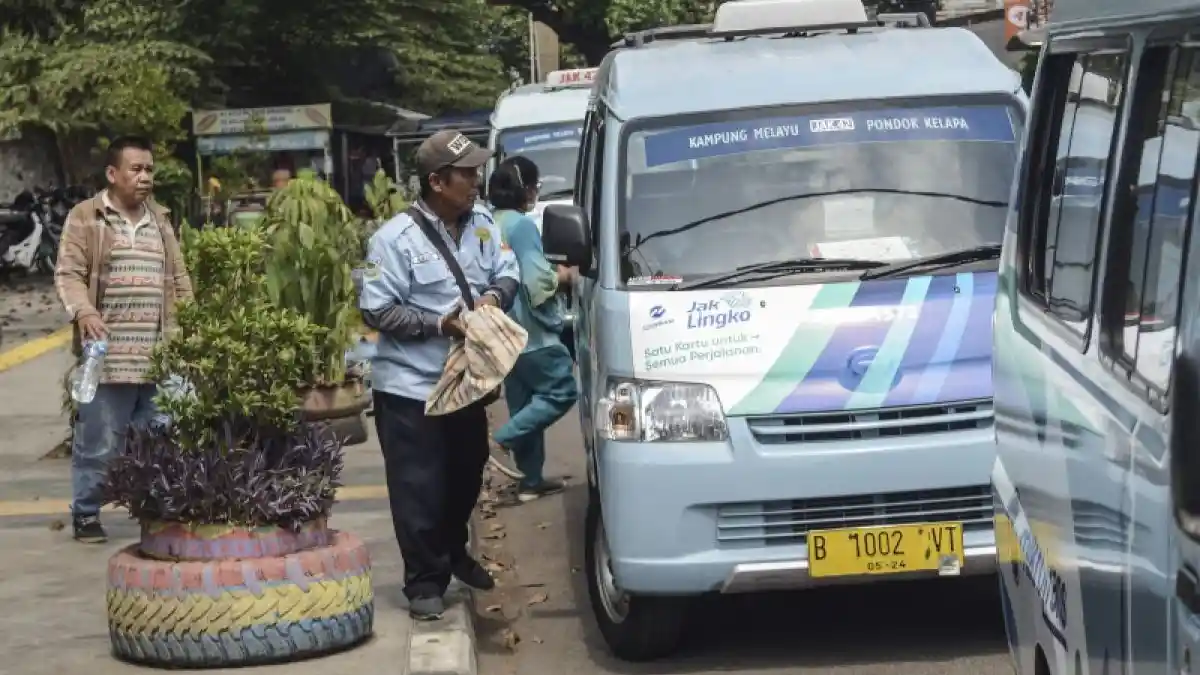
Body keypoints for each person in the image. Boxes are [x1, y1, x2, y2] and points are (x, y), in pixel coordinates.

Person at [358, 129, 520, 621]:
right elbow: (376, 310)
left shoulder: (485, 224)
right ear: (436, 181)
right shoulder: (393, 240)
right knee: (418, 486)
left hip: (467, 382)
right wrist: (438, 324)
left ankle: (451, 549)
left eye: (476, 170)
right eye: (466, 173)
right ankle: (424, 581)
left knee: (467, 470)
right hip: (411, 387)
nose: (476, 180)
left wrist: (492, 299)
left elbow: (506, 271)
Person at [54, 135, 194, 544]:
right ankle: (86, 513)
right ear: (112, 174)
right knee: (99, 444)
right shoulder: (86, 217)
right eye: (136, 169)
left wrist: (192, 328)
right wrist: (85, 311)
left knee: (159, 439)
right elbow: (68, 274)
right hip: (107, 359)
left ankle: (154, 511)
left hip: (158, 356)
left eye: (149, 169)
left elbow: (180, 280)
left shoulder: (161, 220)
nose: (145, 177)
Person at [488, 156, 579, 502]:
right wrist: (566, 276)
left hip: (502, 332)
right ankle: (502, 439)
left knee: (524, 402)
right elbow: (537, 281)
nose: (535, 193)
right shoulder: (522, 225)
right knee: (560, 390)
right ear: (524, 188)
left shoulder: (487, 222)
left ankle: (531, 481)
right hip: (532, 332)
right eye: (535, 186)